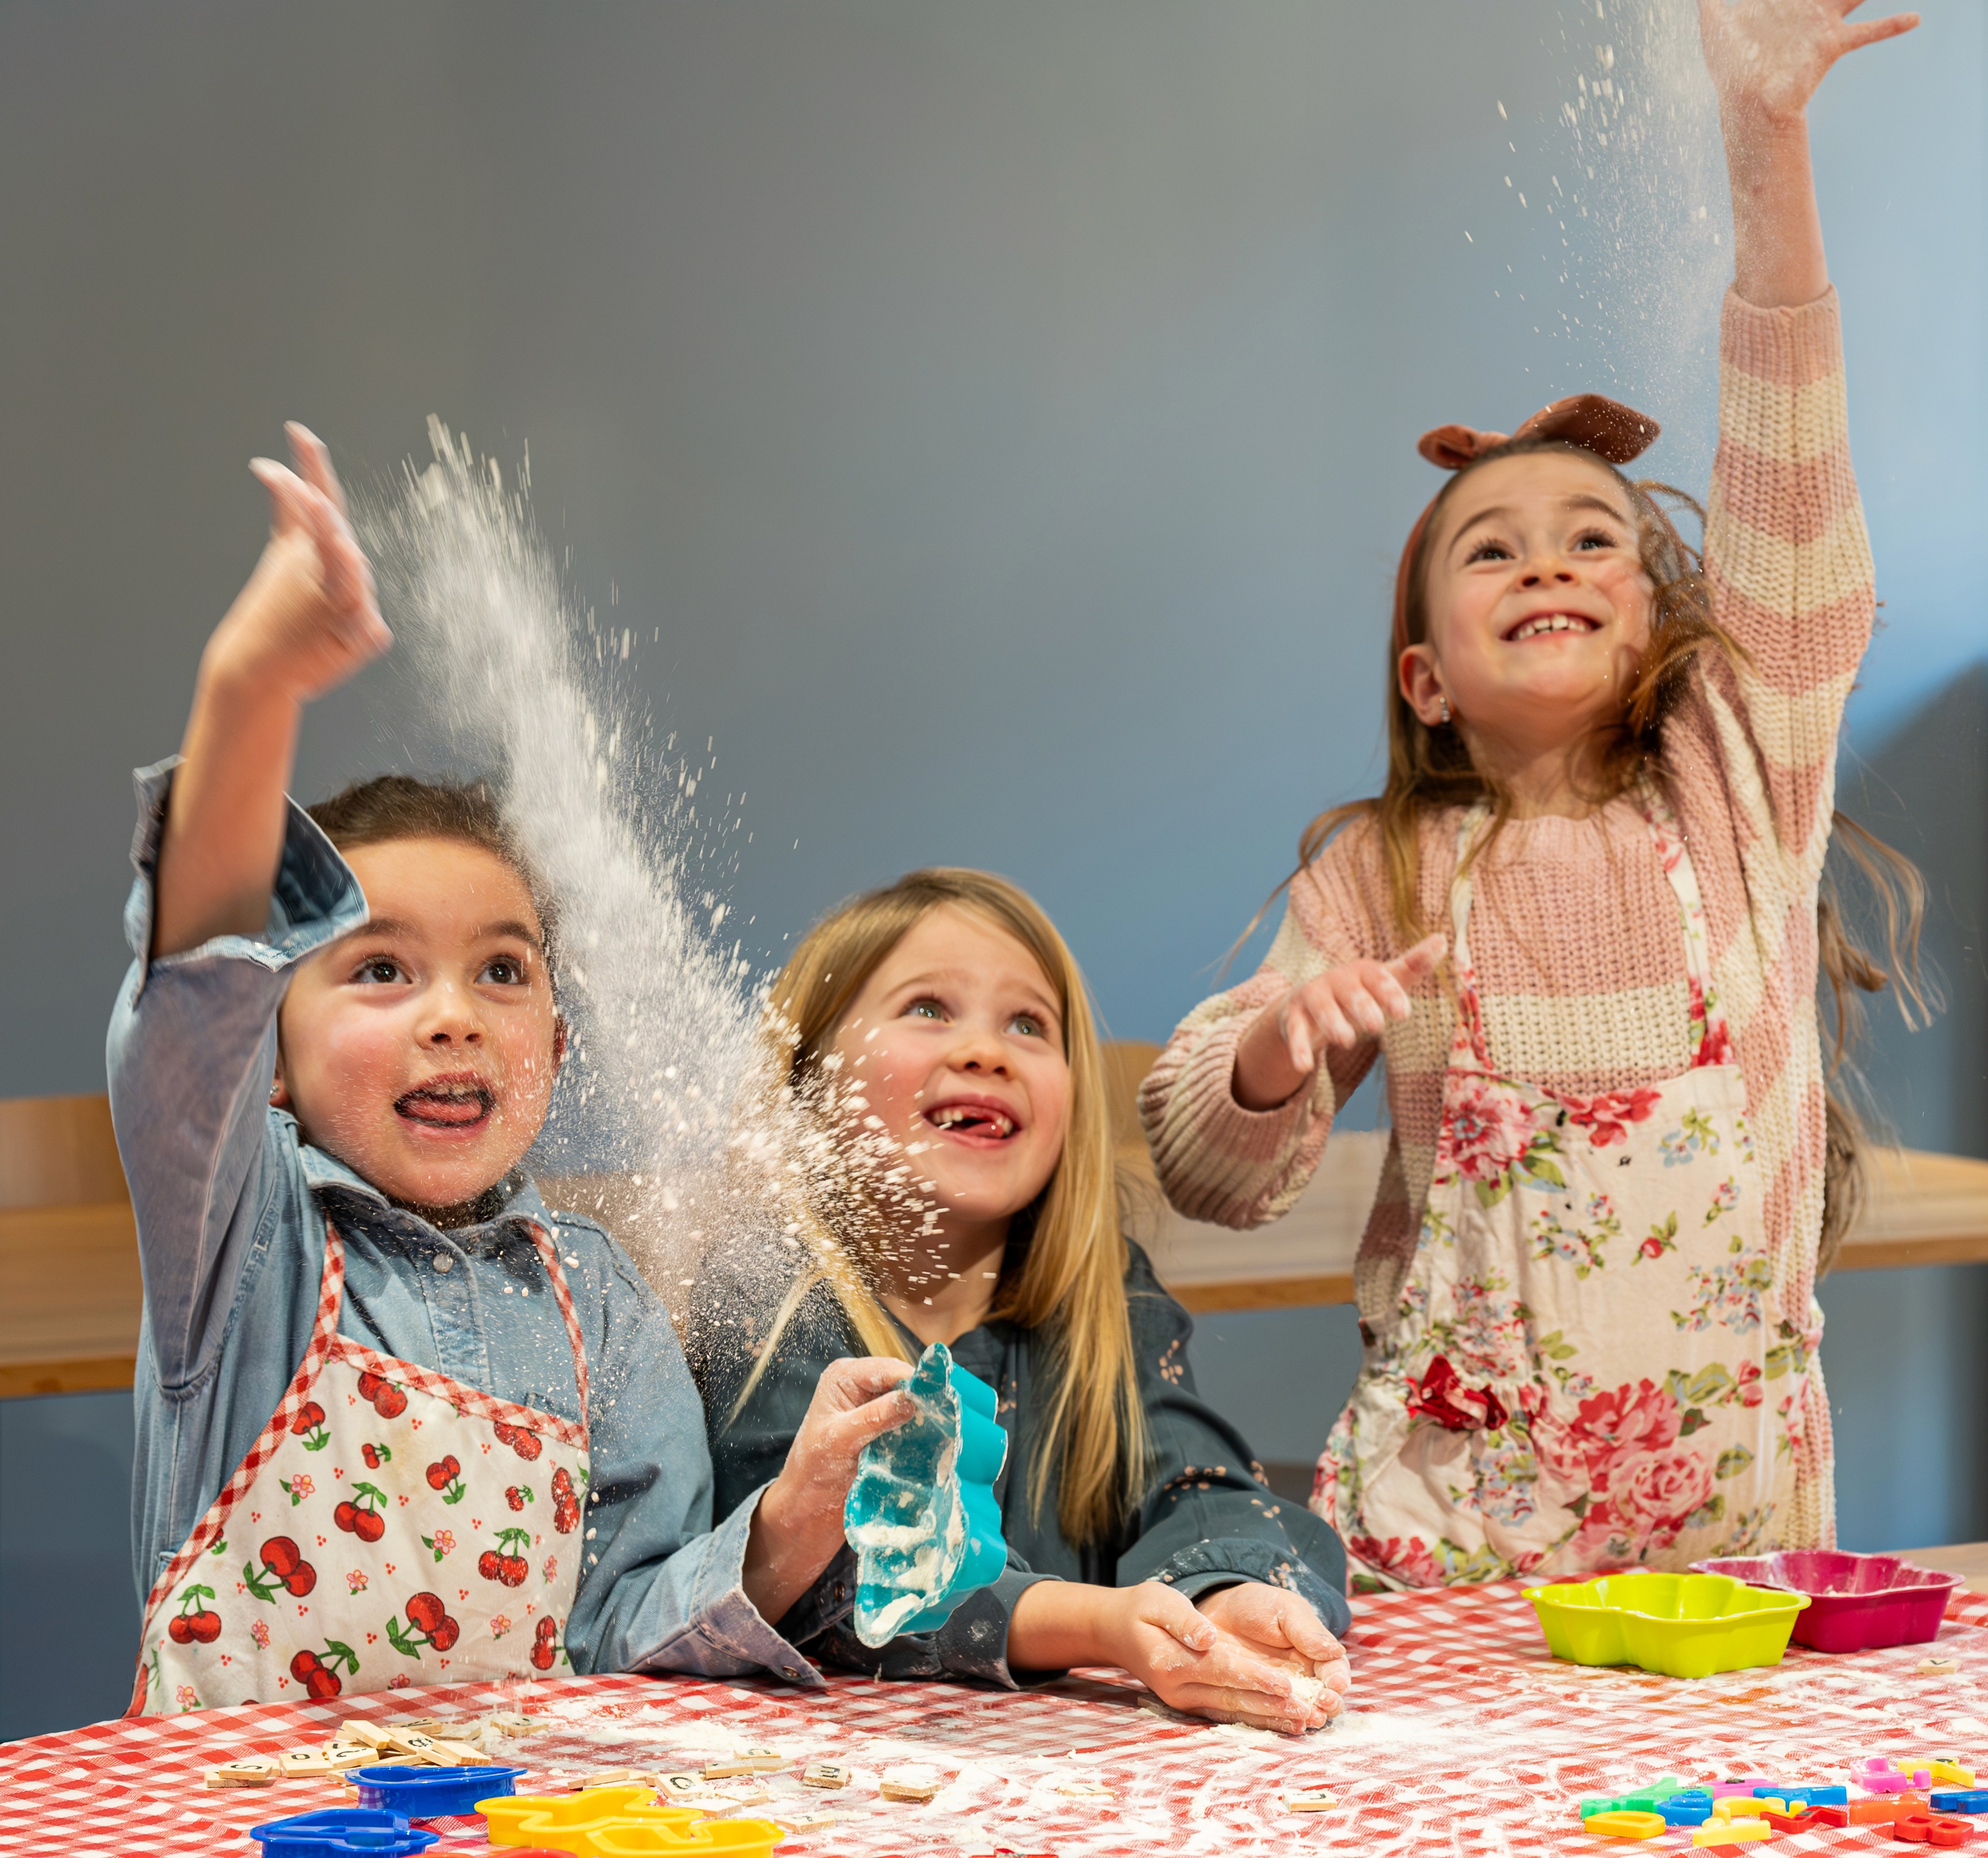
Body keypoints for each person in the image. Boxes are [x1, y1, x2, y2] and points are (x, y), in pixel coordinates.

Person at [1139, 0, 1924, 1591]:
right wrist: (1281, 1056)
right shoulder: (1380, 874)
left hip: (1736, 1536)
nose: (1549, 556)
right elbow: (1208, 1177)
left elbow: (1787, 481)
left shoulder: (1739, 774)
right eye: (1488, 548)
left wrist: (1762, 140)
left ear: (1657, 615)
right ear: (1425, 672)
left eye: (1591, 537)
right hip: (1450, 1547)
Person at [114, 427, 911, 1712]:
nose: (457, 1017)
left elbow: (630, 1639)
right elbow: (192, 988)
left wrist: (790, 1521)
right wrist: (251, 685)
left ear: (556, 1040)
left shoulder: (597, 1309)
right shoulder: (241, 1241)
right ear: (263, 1054)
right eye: (380, 970)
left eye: (502, 971)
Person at [694, 869, 1352, 1735]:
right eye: (928, 1007)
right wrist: (1104, 1627)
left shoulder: (1107, 1298)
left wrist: (1222, 1593)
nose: (984, 1050)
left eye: (1027, 1024)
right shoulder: (762, 1302)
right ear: (810, 1075)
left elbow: (1199, 1486)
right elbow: (837, 1575)